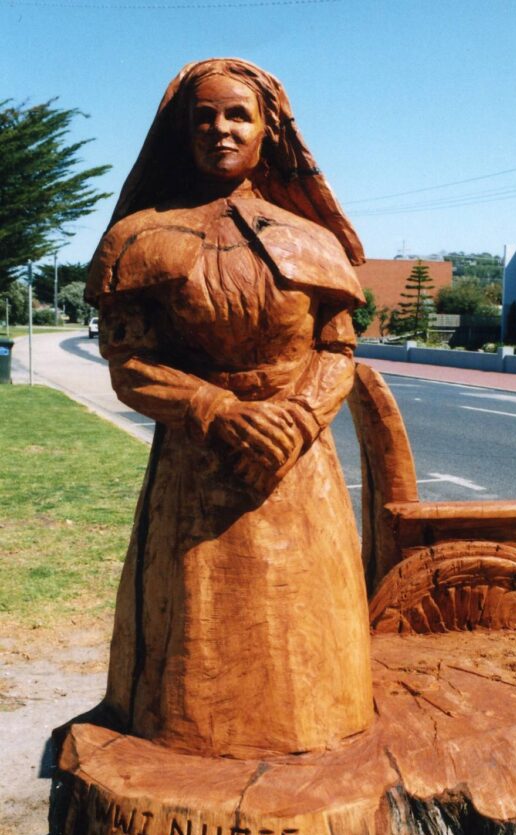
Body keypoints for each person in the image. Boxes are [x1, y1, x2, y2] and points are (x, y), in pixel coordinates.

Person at [85, 59, 373, 758]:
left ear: (268, 129)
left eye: (237, 115)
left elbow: (338, 352)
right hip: (196, 467)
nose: (220, 130)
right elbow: (129, 365)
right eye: (204, 116)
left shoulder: (311, 239)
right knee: (197, 636)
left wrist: (298, 418)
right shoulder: (139, 238)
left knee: (306, 632)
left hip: (297, 467)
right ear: (182, 132)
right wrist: (215, 410)